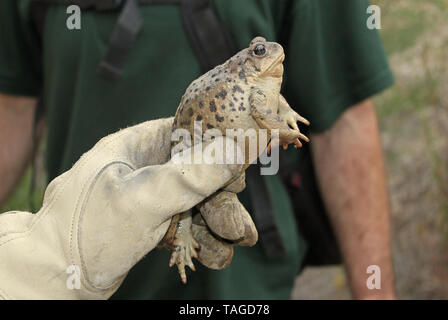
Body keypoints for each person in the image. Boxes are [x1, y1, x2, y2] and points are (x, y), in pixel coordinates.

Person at [0, 0, 396, 299]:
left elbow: (345, 118)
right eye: (258, 51)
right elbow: (12, 109)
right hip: (76, 261)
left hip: (244, 285)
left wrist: (375, 290)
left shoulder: (261, 81)